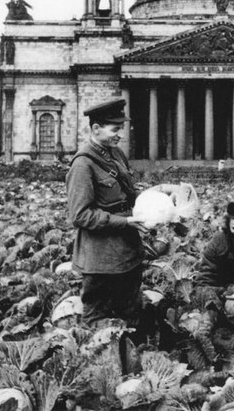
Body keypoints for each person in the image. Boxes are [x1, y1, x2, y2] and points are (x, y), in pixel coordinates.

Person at [66, 99, 148, 327]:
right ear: (96, 128)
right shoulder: (83, 164)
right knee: (97, 321)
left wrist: (157, 199)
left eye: (121, 128)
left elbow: (128, 194)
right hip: (100, 259)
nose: (120, 134)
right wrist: (125, 221)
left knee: (131, 314)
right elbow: (80, 215)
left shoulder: (117, 155)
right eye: (115, 129)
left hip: (128, 252)